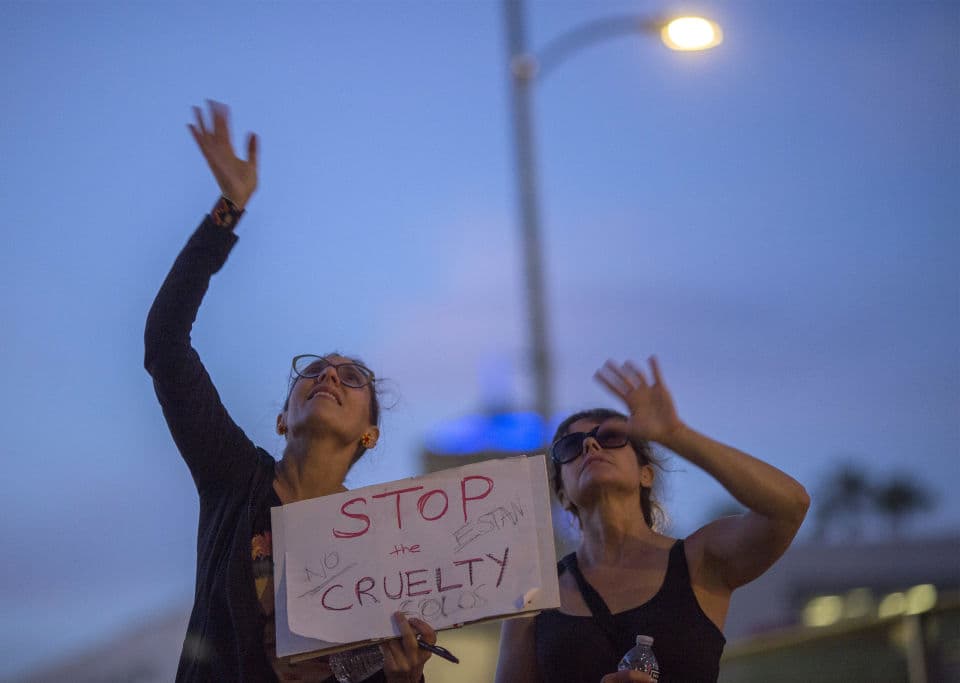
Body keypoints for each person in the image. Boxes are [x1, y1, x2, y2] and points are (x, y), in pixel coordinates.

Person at [144, 100, 435, 683]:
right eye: (314, 370)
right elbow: (166, 345)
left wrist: (406, 676)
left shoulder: (383, 543)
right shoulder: (235, 479)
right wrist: (228, 210)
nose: (329, 376)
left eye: (351, 376)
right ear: (282, 419)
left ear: (370, 433)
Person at [495, 357, 810, 683]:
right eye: (570, 446)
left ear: (646, 473)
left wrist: (675, 433)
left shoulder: (700, 559)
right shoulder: (533, 594)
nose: (590, 444)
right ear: (562, 495)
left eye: (613, 436)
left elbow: (790, 506)